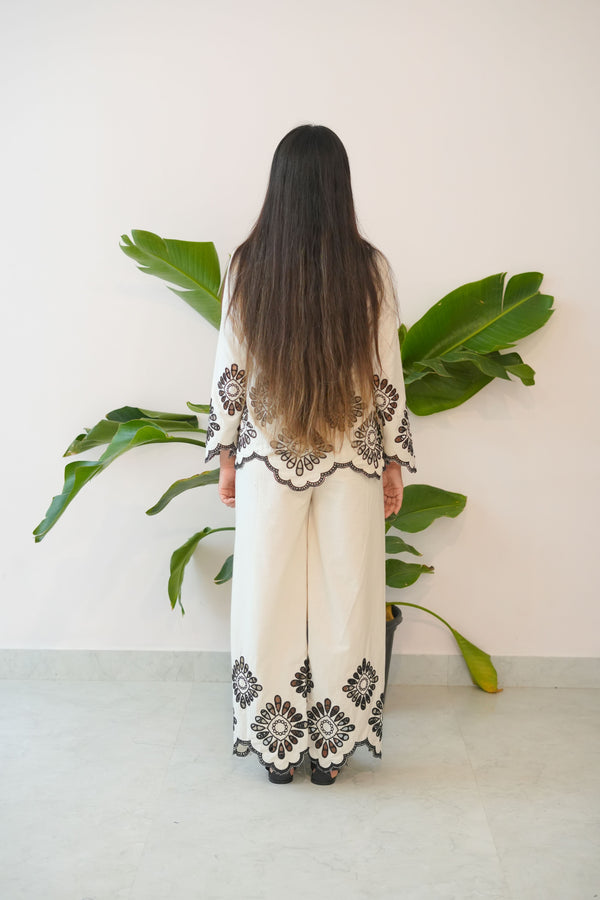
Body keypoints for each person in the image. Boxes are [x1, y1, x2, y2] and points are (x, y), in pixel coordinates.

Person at [204, 124, 416, 786]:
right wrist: (394, 457)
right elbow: (385, 371)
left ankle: (275, 747)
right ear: (338, 186)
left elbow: (231, 366)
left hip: (270, 456)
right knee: (347, 594)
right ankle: (331, 748)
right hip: (350, 454)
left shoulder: (248, 264)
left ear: (280, 185)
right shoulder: (369, 268)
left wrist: (226, 452)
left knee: (265, 595)